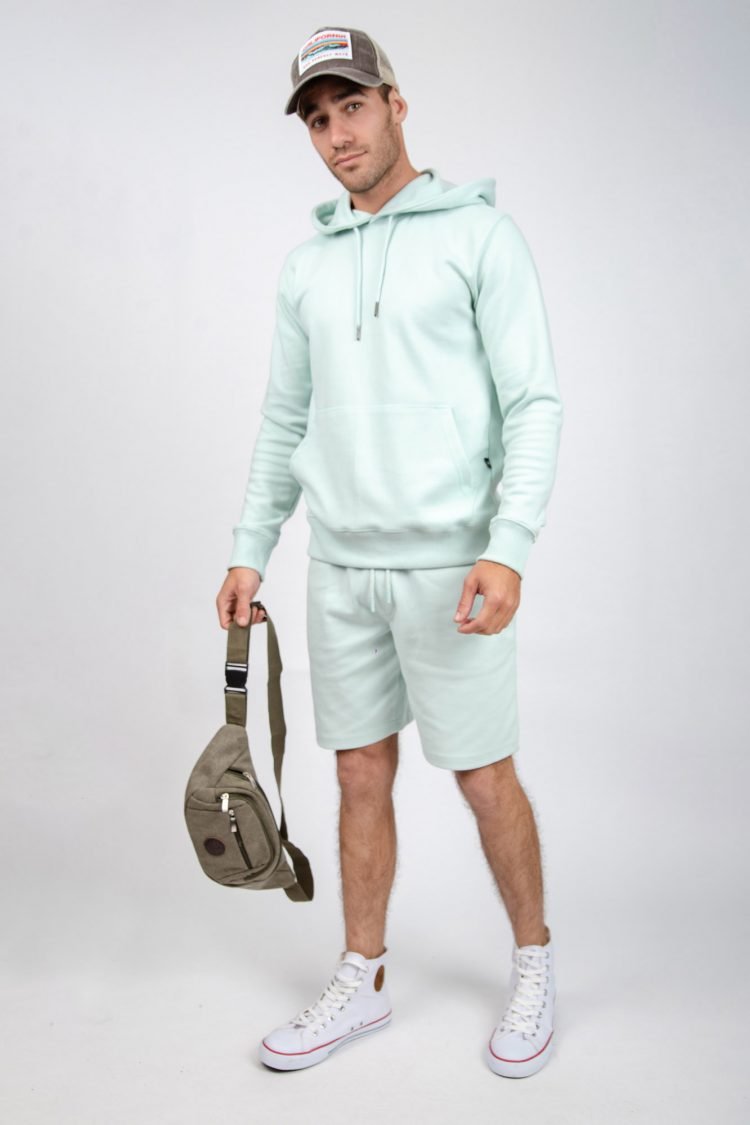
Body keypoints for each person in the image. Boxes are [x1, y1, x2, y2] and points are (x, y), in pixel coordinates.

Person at [215, 26, 564, 1078]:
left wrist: (509, 546)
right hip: (341, 566)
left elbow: (533, 402)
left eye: (353, 107)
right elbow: (285, 419)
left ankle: (535, 960)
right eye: (318, 119)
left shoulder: (480, 238)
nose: (337, 134)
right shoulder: (306, 267)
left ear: (396, 105)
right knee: (358, 772)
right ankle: (362, 976)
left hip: (452, 566)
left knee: (484, 777)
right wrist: (249, 549)